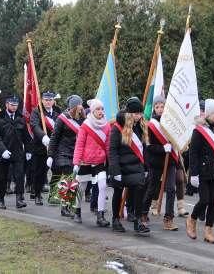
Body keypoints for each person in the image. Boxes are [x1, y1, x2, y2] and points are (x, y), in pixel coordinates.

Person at [186, 99, 214, 244]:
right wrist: (194, 174)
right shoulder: (199, 131)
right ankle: (191, 220)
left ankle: (208, 231)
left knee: (213, 201)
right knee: (204, 200)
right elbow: (193, 153)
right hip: (203, 172)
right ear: (208, 114)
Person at [109, 97, 150, 235]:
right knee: (118, 192)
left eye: (140, 113)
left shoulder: (140, 125)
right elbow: (112, 150)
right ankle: (115, 219)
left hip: (136, 166)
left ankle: (138, 220)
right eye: (137, 113)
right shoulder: (117, 127)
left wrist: (145, 168)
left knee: (139, 188)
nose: (139, 116)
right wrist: (115, 171)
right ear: (130, 113)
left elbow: (143, 149)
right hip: (120, 167)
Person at [142, 95, 178, 231]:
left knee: (171, 189)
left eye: (162, 106)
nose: (160, 109)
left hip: (170, 161)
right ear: (154, 109)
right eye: (157, 107)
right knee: (152, 188)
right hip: (156, 161)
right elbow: (148, 146)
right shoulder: (150, 125)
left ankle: (169, 218)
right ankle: (144, 213)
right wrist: (162, 148)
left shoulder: (172, 123)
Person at [73, 98, 110, 226]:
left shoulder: (107, 125)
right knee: (81, 188)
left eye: (102, 109)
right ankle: (77, 211)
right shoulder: (85, 126)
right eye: (98, 109)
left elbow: (108, 145)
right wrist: (76, 163)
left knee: (103, 186)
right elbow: (79, 145)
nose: (101, 111)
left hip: (100, 161)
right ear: (93, 111)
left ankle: (100, 215)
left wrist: (111, 163)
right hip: (85, 162)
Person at [47, 95, 85, 218]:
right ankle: (64, 207)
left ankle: (68, 204)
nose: (81, 107)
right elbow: (54, 138)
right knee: (68, 178)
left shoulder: (83, 118)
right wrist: (50, 155)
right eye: (79, 105)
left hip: (77, 153)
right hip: (63, 152)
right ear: (73, 107)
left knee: (74, 181)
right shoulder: (61, 119)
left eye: (81, 104)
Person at [0, 96, 28, 210]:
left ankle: (19, 199)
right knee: (1, 178)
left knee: (20, 176)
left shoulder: (21, 117)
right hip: (3, 152)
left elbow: (26, 136)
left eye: (16, 105)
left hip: (17, 151)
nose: (14, 107)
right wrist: (3, 150)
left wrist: (29, 150)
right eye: (12, 105)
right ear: (6, 104)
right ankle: (1, 200)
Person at [30, 91, 59, 205]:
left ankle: (53, 195)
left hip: (54, 148)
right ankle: (37, 195)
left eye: (50, 100)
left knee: (57, 171)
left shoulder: (57, 112)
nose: (48, 102)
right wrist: (43, 136)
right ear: (42, 100)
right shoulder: (37, 112)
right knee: (40, 173)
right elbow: (34, 125)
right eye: (46, 100)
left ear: (53, 101)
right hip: (40, 147)